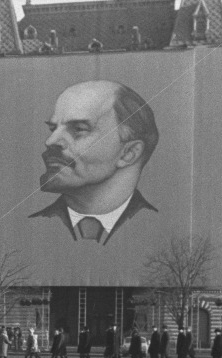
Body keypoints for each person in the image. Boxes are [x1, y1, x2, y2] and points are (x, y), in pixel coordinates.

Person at [29, 80, 158, 245]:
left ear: (129, 153)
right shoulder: (27, 230)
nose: (50, 141)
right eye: (53, 129)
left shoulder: (160, 230)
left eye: (78, 129)